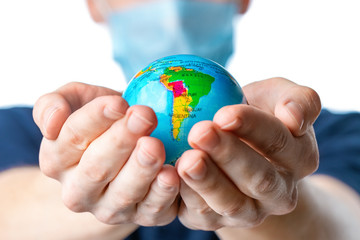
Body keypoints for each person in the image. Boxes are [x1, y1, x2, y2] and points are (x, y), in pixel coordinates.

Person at [1, 0, 359, 239]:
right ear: (95, 4)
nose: (173, 9)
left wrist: (278, 196)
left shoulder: (327, 133)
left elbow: (347, 224)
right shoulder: (15, 131)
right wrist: (80, 187)